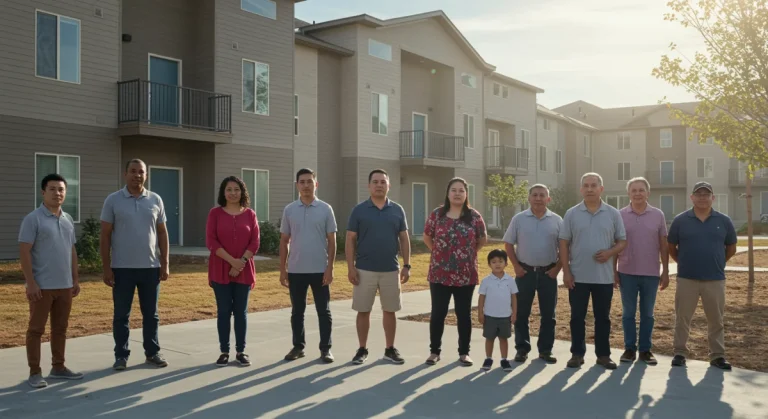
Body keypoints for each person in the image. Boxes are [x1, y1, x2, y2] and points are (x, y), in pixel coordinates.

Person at [100, 159, 170, 371]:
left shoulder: (155, 199)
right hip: (122, 269)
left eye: (141, 172)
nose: (137, 175)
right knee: (121, 315)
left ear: (146, 175)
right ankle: (121, 356)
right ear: (125, 174)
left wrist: (165, 263)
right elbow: (105, 235)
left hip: (150, 268)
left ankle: (152, 353)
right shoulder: (113, 200)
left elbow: (162, 233)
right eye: (133, 171)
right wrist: (106, 267)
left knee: (151, 315)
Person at [19, 174, 83, 388]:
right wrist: (31, 283)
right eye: (53, 189)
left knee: (60, 328)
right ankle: (34, 372)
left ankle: (58, 367)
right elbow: (24, 252)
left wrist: (75, 279)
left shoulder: (67, 219)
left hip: (65, 286)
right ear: (43, 192)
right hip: (42, 287)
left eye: (61, 189)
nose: (58, 193)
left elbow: (71, 250)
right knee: (36, 330)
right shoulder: (33, 219)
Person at [560, 172, 627, 370]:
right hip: (577, 276)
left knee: (603, 318)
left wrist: (609, 253)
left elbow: (622, 241)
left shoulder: (613, 213)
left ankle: (603, 355)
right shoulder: (571, 214)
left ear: (601, 189)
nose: (590, 189)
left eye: (594, 185)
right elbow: (563, 243)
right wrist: (566, 271)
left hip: (603, 277)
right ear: (581, 189)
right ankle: (577, 354)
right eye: (586, 185)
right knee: (576, 317)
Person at [668, 181, 737, 370]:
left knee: (716, 319)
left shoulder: (724, 221)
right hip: (686, 279)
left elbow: (731, 247)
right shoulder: (681, 220)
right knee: (682, 318)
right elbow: (671, 246)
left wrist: (719, 262)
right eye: (698, 194)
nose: (702, 198)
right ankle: (679, 353)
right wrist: (682, 262)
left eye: (706, 194)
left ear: (712, 198)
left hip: (715, 279)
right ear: (692, 197)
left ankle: (717, 356)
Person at [346, 169, 411, 365]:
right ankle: (362, 349)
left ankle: (390, 349)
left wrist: (407, 265)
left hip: (391, 269)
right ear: (369, 186)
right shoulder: (359, 210)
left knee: (390, 310)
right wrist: (350, 267)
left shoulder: (397, 210)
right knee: (363, 310)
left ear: (388, 185)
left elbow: (404, 238)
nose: (379, 185)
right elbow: (350, 239)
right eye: (375, 182)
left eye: (383, 182)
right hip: (364, 269)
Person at [423, 177, 487, 366]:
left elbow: (482, 239)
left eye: (461, 190)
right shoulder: (437, 214)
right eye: (454, 190)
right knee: (438, 313)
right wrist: (439, 253)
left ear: (466, 194)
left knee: (463, 314)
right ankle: (434, 352)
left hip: (465, 274)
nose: (457, 194)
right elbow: (427, 237)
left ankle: (464, 353)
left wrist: (469, 254)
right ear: (448, 193)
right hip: (439, 273)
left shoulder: (474, 216)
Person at [280, 168, 337, 363]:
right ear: (297, 185)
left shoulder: (326, 209)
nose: (306, 185)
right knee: (297, 311)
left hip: (320, 270)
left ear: (316, 184)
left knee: (324, 311)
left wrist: (330, 268)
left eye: (309, 182)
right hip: (296, 270)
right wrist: (283, 269)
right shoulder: (289, 210)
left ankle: (326, 348)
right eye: (302, 182)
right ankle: (298, 346)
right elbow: (284, 241)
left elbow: (332, 241)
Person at [503, 184, 562, 364]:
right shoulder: (519, 219)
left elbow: (566, 247)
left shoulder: (557, 220)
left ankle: (545, 350)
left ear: (548, 199)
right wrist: (516, 266)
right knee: (520, 313)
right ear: (528, 198)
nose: (538, 198)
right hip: (524, 273)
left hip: (548, 274)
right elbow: (508, 244)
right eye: (534, 195)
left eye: (542, 195)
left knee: (548, 315)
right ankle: (522, 349)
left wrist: (557, 269)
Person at [206, 176, 260, 367]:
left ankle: (240, 351)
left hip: (244, 270)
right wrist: (232, 262)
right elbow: (211, 241)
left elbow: (255, 242)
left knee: (240, 312)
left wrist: (241, 263)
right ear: (223, 192)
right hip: (220, 269)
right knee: (223, 311)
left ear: (242, 192)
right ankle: (224, 351)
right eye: (229, 189)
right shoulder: (215, 213)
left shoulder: (250, 214)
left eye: (236, 189)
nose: (233, 193)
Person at [615, 177, 670, 366]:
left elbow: (663, 245)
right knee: (628, 313)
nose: (637, 193)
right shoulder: (620, 215)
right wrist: (613, 271)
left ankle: (645, 350)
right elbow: (615, 244)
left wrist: (665, 271)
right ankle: (629, 349)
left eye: (641, 190)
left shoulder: (658, 215)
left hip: (651, 273)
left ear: (648, 193)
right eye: (634, 190)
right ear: (628, 193)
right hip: (626, 272)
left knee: (647, 314)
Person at [478, 249, 519, 372]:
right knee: (489, 338)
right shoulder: (486, 281)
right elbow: (481, 298)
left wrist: (514, 313)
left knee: (503, 338)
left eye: (500, 261)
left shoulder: (510, 280)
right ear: (489, 264)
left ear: (506, 263)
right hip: (489, 316)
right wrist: (480, 313)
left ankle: (504, 360)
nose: (497, 264)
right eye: (494, 262)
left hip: (505, 316)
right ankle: (488, 359)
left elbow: (514, 297)